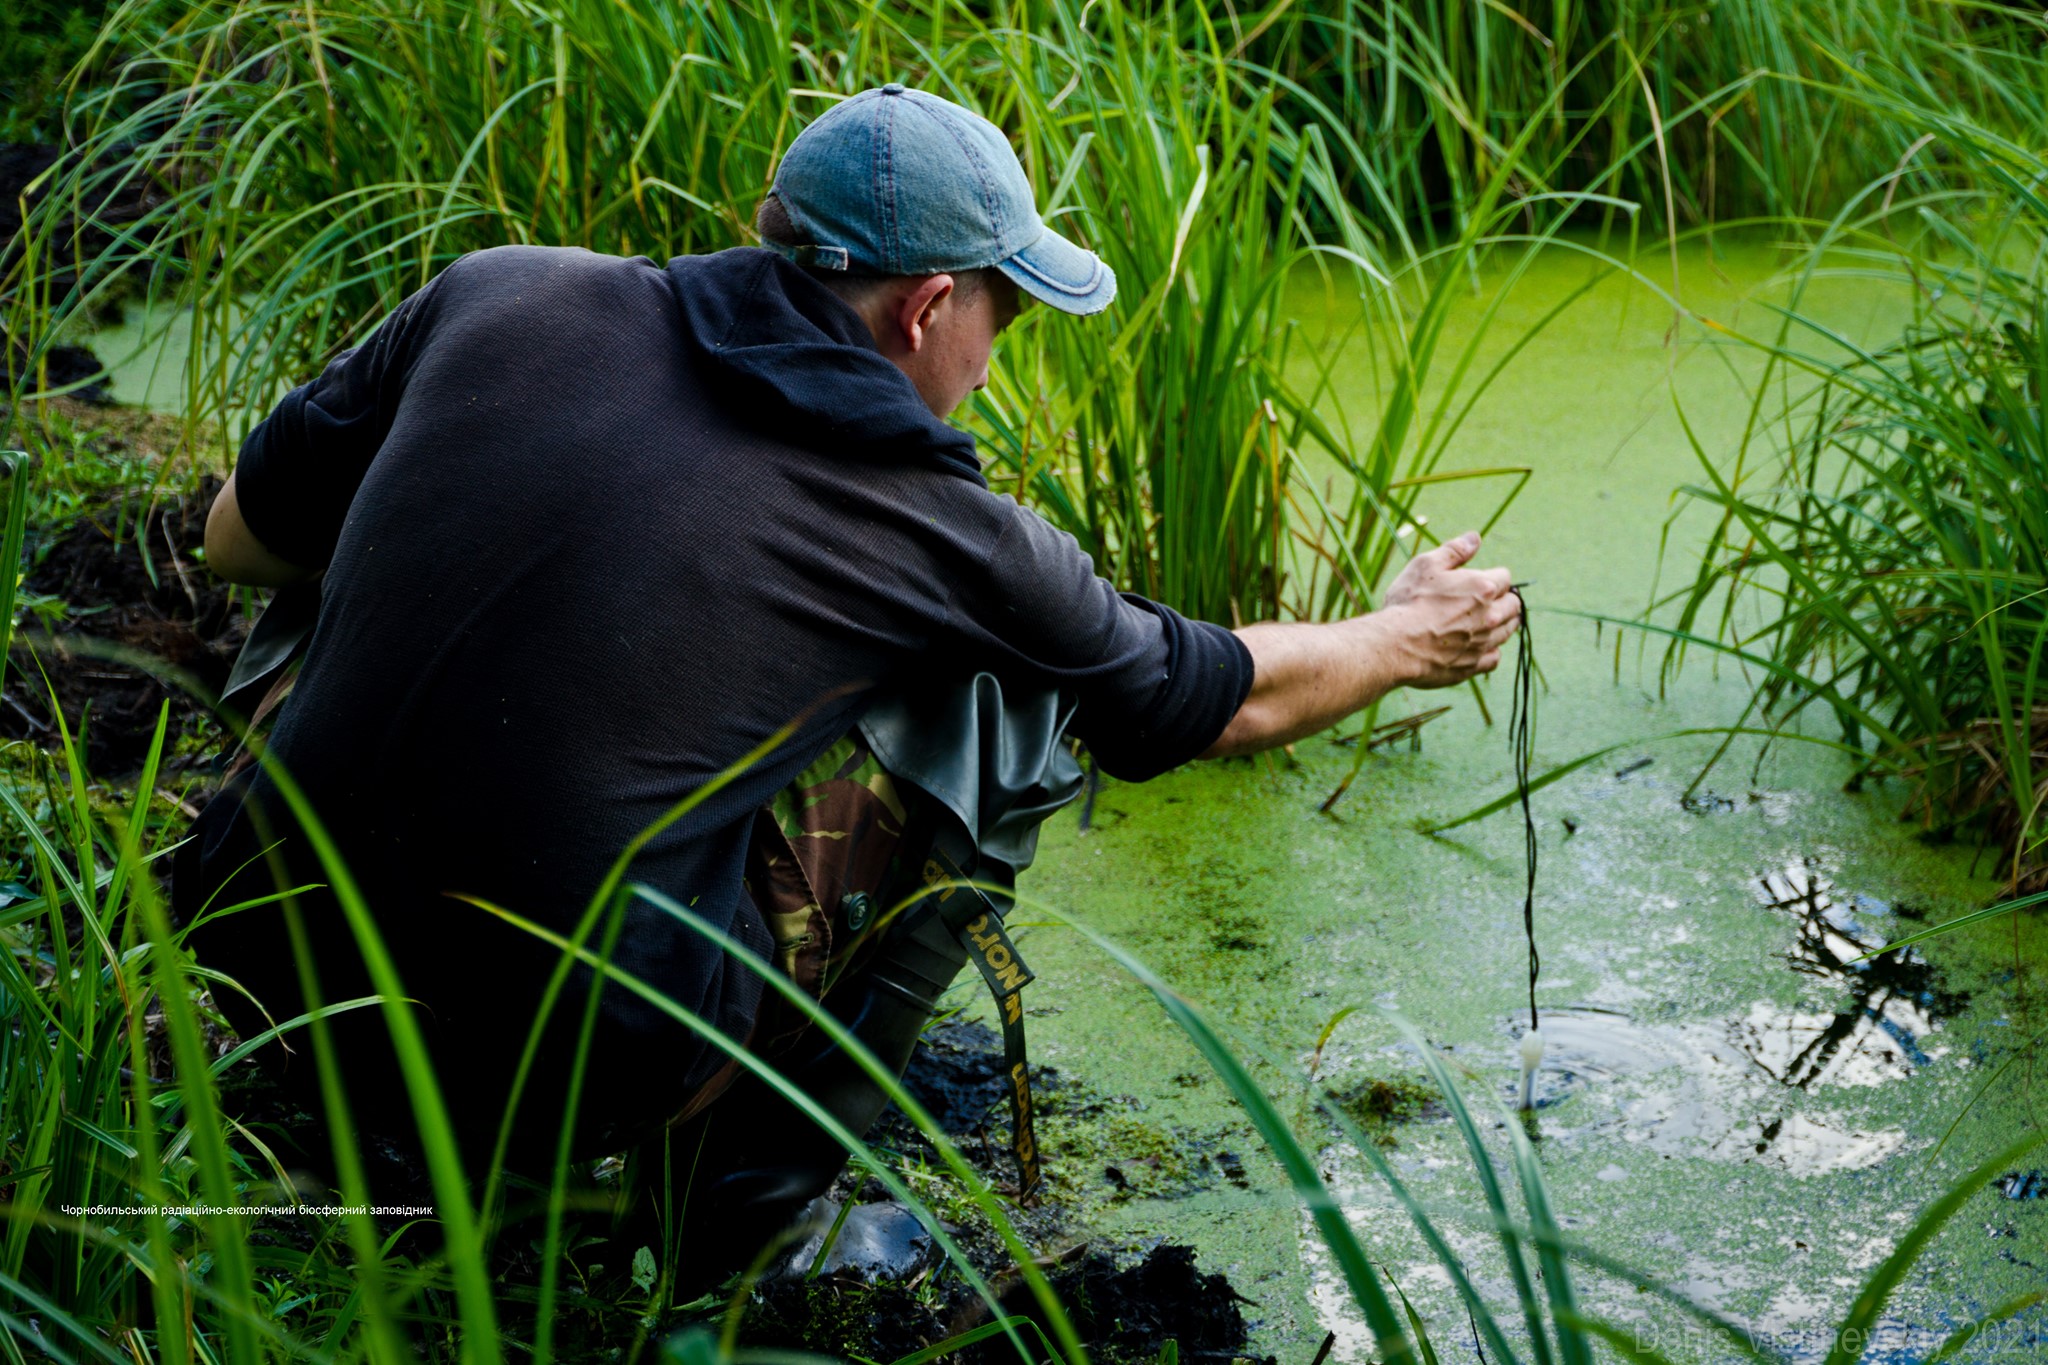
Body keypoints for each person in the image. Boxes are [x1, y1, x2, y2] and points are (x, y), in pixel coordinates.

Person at [176, 84, 1518, 1259]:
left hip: (254, 967)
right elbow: (1205, 695)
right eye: (1003, 315)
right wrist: (1404, 637)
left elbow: (235, 534)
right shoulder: (935, 523)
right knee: (1005, 717)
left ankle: (322, 1073)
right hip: (552, 1072)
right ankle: (750, 1198)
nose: (993, 359)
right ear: (929, 307)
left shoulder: (502, 288)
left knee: (340, 544)